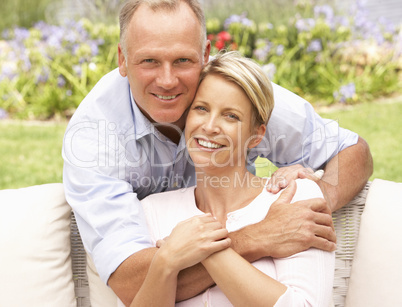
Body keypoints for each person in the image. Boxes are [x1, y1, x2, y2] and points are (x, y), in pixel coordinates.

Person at [62, 0, 372, 305]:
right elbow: (133, 285)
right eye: (149, 62)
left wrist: (312, 206)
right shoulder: (94, 139)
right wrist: (259, 236)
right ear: (123, 59)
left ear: (206, 55)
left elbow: (352, 150)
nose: (167, 80)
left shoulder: (232, 91)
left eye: (183, 60)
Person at [131, 51, 335, 306]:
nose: (210, 126)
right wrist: (165, 261)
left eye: (231, 116)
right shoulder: (152, 210)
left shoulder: (293, 198)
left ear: (257, 134)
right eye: (201, 109)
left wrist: (206, 251)